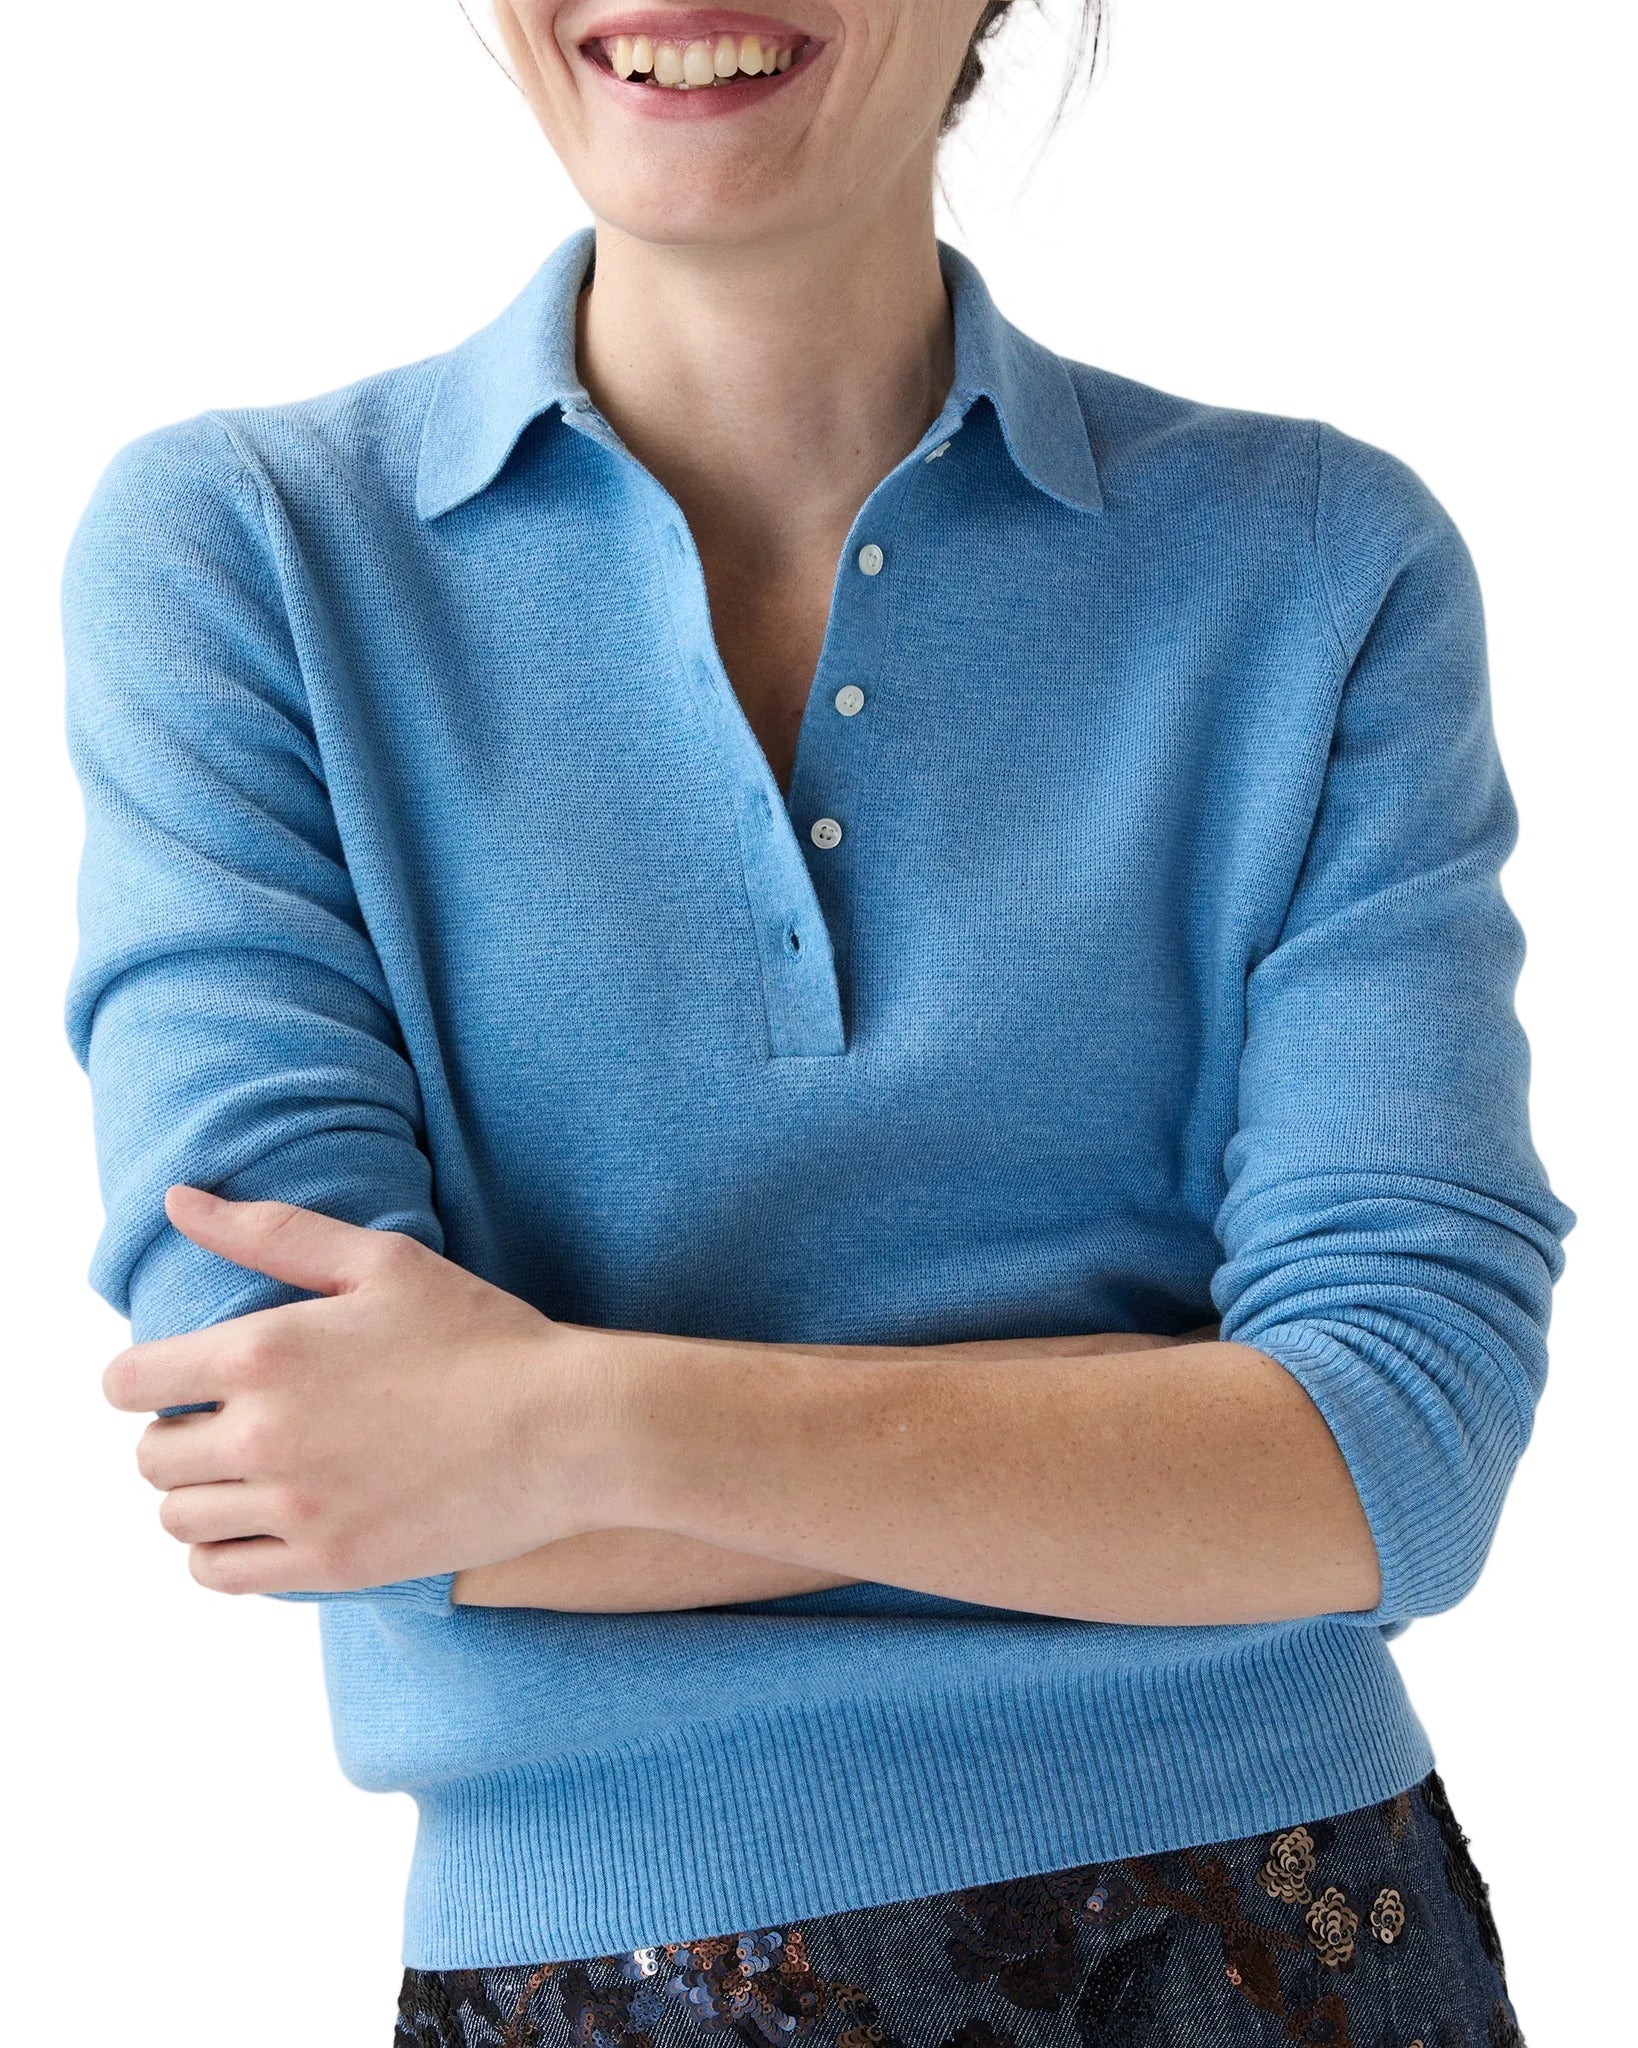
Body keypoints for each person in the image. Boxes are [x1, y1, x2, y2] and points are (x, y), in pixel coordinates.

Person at [60, 0, 1573, 2041]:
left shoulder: (1318, 568)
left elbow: (1399, 1446)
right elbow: (293, 1444)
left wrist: (555, 1418)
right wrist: (1155, 1436)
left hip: (1283, 1943)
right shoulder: (244, 557)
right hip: (597, 1976)